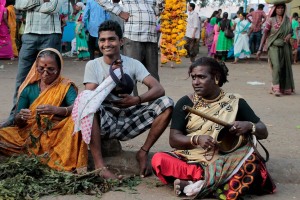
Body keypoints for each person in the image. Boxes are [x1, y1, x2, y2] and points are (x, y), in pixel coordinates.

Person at [151, 57, 276, 199]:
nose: (196, 82)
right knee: (159, 160)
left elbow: (263, 131)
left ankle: (197, 184)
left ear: (216, 78)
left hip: (225, 159)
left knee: (252, 164)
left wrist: (248, 126)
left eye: (201, 77)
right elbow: (174, 139)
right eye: (193, 78)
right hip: (192, 158)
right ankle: (215, 183)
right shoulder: (186, 102)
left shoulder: (234, 102)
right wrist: (196, 139)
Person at [79, 20, 173, 179]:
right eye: (102, 40)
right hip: (105, 120)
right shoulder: (93, 65)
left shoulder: (132, 64)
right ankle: (100, 167)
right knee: (90, 106)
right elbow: (89, 97)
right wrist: (111, 78)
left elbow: (159, 89)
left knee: (167, 103)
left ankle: (143, 152)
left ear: (121, 41)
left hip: (129, 117)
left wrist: (136, 100)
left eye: (111, 39)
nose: (106, 44)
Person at [0, 48, 88, 172]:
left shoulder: (65, 86)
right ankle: (37, 155)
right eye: (41, 68)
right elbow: (18, 122)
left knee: (75, 122)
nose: (45, 73)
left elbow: (76, 106)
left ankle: (58, 159)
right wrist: (21, 117)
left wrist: (56, 110)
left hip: (55, 136)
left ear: (59, 69)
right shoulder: (28, 89)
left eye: (51, 69)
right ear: (36, 68)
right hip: (29, 135)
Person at [0, 0, 62, 128]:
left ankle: (49, 118)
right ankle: (14, 117)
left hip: (51, 34)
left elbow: (53, 7)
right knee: (22, 79)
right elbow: (19, 5)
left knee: (50, 78)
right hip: (29, 35)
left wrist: (31, 5)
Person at [94, 0, 163, 83]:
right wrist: (119, 12)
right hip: (133, 35)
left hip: (151, 36)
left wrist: (161, 5)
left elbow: (155, 11)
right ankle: (131, 96)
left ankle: (155, 96)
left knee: (153, 75)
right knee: (130, 75)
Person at [257, 4, 295, 96]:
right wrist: (259, 49)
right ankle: (276, 89)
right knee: (277, 66)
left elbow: (291, 31)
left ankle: (281, 87)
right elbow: (265, 34)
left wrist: (289, 35)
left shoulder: (287, 20)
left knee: (284, 67)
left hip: (285, 46)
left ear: (284, 9)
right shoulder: (270, 20)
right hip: (273, 46)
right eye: (278, 8)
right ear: (275, 9)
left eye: (282, 8)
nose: (280, 10)